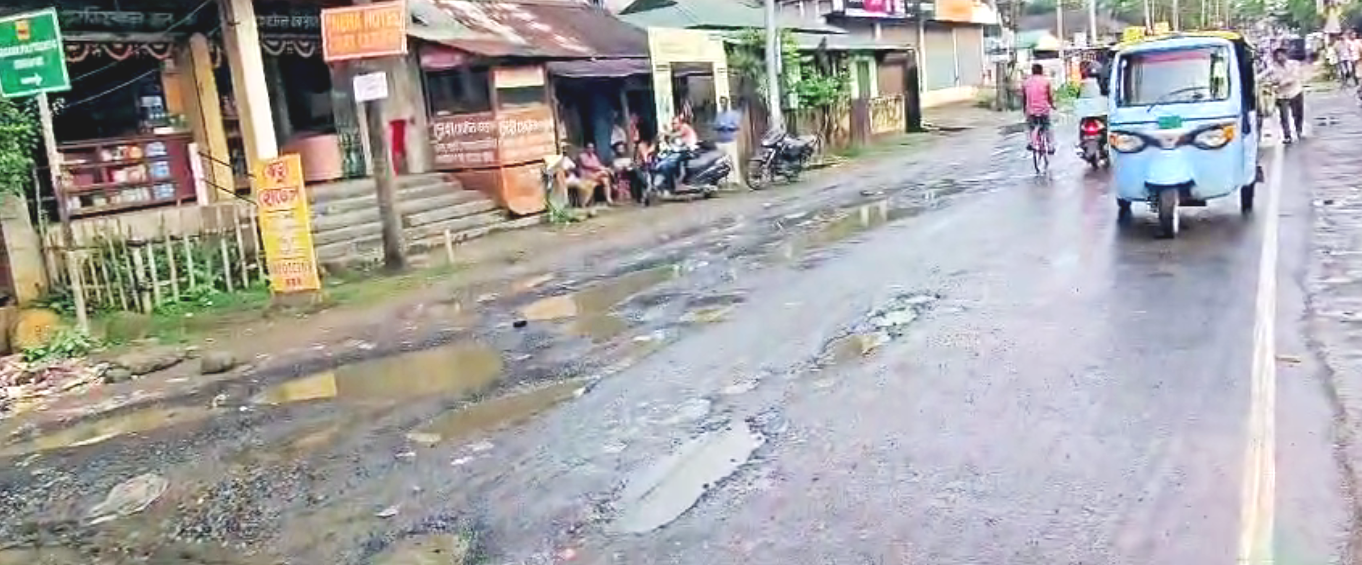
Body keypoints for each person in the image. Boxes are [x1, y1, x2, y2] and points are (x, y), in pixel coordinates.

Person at [1266, 47, 1305, 144]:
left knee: (1298, 114)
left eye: (1281, 55)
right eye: (1277, 55)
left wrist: (1279, 83)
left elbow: (1294, 77)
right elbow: (1266, 77)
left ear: (1285, 55)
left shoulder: (1294, 64)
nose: (1279, 57)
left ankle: (1299, 130)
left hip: (1295, 91)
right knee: (1284, 116)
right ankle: (1287, 135)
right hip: (1282, 95)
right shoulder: (1273, 67)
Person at [1020, 63, 1055, 154]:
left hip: (1031, 111)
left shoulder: (1026, 82)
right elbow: (1049, 96)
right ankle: (1050, 146)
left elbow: (1024, 97)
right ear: (1041, 71)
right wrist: (1052, 105)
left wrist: (1024, 109)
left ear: (1032, 71)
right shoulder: (1046, 81)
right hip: (1043, 110)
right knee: (1048, 126)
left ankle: (1031, 142)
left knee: (1030, 127)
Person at [713, 97, 741, 186]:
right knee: (721, 161)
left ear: (727, 103)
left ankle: (736, 179)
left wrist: (726, 126)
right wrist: (718, 126)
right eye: (721, 103)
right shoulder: (719, 115)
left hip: (730, 140)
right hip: (720, 141)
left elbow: (736, 126)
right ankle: (724, 180)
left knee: (733, 160)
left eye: (724, 102)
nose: (722, 104)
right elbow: (714, 125)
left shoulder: (732, 114)